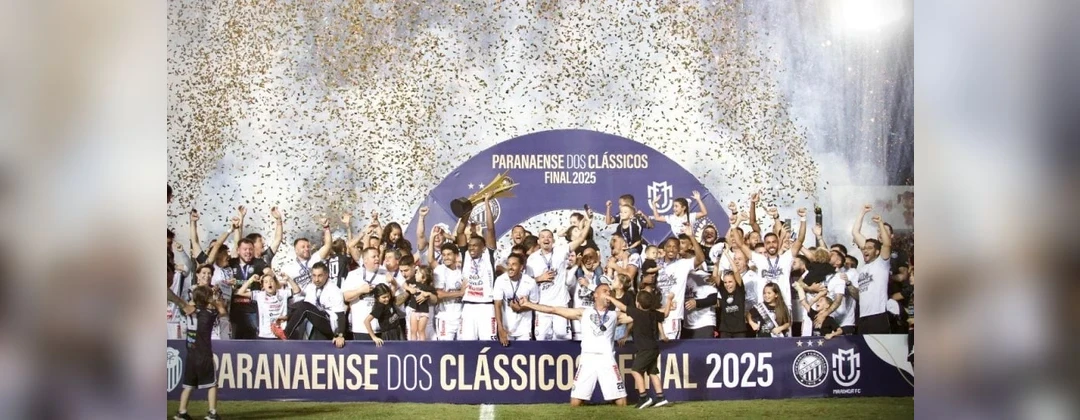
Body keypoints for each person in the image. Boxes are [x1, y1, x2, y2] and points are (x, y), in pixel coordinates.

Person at [520, 282, 633, 407]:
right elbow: (554, 310)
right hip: (588, 358)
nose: (608, 293)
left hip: (607, 358)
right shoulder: (584, 313)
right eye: (605, 291)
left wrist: (617, 302)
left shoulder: (614, 315)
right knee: (575, 403)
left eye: (610, 292)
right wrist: (528, 304)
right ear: (595, 295)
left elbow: (637, 316)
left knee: (621, 402)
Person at [608, 289, 675, 409]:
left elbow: (621, 306)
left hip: (645, 349)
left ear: (638, 304)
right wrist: (669, 300)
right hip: (654, 348)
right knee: (652, 372)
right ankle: (661, 397)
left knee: (635, 371)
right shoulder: (654, 313)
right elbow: (665, 314)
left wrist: (610, 298)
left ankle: (644, 397)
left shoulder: (637, 313)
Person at [174, 285, 227, 420]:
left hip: (191, 354)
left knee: (188, 385)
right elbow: (222, 311)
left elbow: (190, 304)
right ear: (207, 298)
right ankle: (212, 412)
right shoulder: (208, 314)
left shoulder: (188, 311)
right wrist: (214, 301)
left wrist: (199, 297)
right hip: (204, 354)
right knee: (212, 384)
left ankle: (182, 412)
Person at [455, 195, 499, 341]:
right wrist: (468, 211)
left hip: (486, 306)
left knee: (489, 344)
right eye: (470, 245)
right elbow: (460, 232)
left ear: (483, 247)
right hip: (468, 307)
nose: (471, 248)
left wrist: (486, 202)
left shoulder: (488, 256)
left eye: (475, 246)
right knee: (467, 344)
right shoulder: (465, 255)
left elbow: (491, 230)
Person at [654, 225, 706, 340]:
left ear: (678, 249)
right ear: (664, 248)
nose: (671, 249)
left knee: (670, 347)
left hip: (673, 315)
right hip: (655, 314)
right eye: (669, 246)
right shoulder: (656, 265)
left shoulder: (683, 264)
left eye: (674, 247)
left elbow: (700, 258)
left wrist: (691, 236)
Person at [280, 262, 348, 346]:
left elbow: (340, 315)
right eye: (314, 275)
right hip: (318, 321)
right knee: (301, 305)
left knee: (305, 307)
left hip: (331, 325)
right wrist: (288, 316)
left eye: (320, 276)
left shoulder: (334, 290)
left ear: (326, 275)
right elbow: (306, 304)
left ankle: (285, 334)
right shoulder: (311, 287)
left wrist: (340, 335)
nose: (316, 279)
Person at [851, 204, 892, 334]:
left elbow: (887, 244)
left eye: (869, 248)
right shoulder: (863, 269)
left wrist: (880, 223)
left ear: (877, 251)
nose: (865, 250)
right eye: (864, 248)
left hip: (878, 315)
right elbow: (855, 233)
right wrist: (862, 212)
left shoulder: (881, 263)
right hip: (863, 317)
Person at [235, 272, 300, 340]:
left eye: (271, 281)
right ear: (263, 286)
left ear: (275, 283)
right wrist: (251, 280)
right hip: (264, 335)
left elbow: (297, 290)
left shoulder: (283, 293)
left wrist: (288, 279)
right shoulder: (259, 295)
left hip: (281, 334)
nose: (269, 283)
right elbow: (240, 292)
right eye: (266, 282)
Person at [342, 247, 387, 341]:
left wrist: (393, 284)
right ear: (365, 260)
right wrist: (360, 291)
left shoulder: (385, 274)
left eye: (378, 256)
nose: (377, 258)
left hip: (383, 327)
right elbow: (346, 297)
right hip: (361, 328)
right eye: (373, 257)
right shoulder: (353, 275)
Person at [493, 253, 539, 344]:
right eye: (508, 264)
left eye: (514, 264)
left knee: (524, 352)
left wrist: (520, 308)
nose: (510, 267)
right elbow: (497, 305)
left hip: (524, 328)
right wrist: (500, 328)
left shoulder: (530, 282)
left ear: (521, 267)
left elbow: (535, 304)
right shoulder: (500, 280)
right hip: (506, 328)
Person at [281, 216, 333, 289]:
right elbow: (280, 285)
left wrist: (326, 227)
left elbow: (328, 245)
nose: (306, 249)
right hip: (300, 296)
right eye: (303, 247)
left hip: (318, 294)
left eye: (308, 246)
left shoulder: (315, 258)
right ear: (296, 250)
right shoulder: (288, 268)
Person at [434, 243, 465, 340]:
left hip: (461, 316)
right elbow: (439, 294)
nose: (446, 257)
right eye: (444, 255)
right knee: (445, 347)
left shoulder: (462, 271)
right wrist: (460, 293)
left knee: (463, 346)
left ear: (456, 255)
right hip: (445, 317)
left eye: (449, 254)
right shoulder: (439, 270)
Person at [404, 265, 439, 341]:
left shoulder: (429, 287)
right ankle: (413, 345)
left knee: (421, 331)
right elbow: (404, 284)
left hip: (424, 312)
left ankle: (422, 346)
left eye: (418, 273)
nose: (415, 274)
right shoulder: (413, 282)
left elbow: (435, 298)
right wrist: (409, 289)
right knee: (413, 330)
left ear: (424, 278)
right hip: (414, 310)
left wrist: (428, 294)